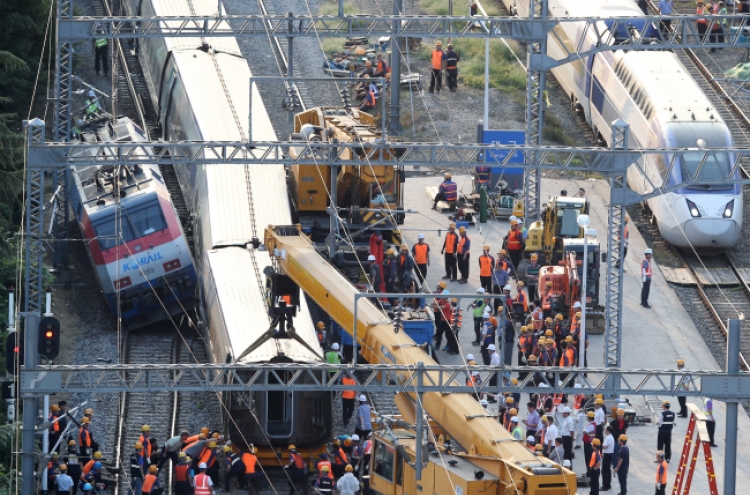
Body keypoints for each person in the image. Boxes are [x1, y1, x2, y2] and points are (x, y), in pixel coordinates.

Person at [602, 425, 614, 492]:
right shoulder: (609, 437)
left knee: (604, 471)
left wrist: (599, 445)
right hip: (609, 454)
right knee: (608, 470)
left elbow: (604, 447)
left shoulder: (609, 438)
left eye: (605, 430)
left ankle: (605, 486)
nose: (604, 431)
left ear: (608, 431)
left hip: (607, 455)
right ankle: (608, 484)